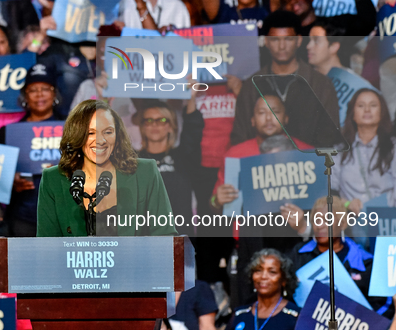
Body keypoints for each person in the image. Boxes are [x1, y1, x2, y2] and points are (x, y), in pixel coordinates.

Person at [37, 99, 178, 237]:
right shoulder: (53, 178)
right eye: (90, 133)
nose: (100, 140)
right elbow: (46, 246)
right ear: (77, 135)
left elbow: (165, 235)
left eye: (108, 132)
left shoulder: (145, 172)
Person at [230, 11, 340, 147]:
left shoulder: (320, 84)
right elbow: (240, 136)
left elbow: (330, 136)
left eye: (288, 39)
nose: (282, 46)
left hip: (309, 163)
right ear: (266, 41)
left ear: (298, 41)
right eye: (275, 39)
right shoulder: (252, 85)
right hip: (260, 165)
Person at [287, 197, 392, 316]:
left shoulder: (364, 261)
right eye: (316, 220)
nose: (320, 225)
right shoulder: (298, 254)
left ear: (343, 224)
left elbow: (383, 304)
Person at [0, 63, 66, 237]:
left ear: (55, 94)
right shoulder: (9, 133)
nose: (39, 95)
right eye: (33, 90)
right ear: (25, 96)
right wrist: (12, 183)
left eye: (45, 88)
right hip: (23, 217)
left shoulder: (72, 128)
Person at [213, 95, 312, 209]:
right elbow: (213, 202)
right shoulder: (234, 155)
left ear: (286, 118)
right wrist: (217, 201)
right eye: (261, 112)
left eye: (275, 112)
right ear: (253, 121)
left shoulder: (307, 153)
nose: (269, 118)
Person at [135, 97, 204, 236]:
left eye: (161, 120)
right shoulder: (132, 160)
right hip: (142, 242)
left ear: (171, 125)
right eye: (149, 120)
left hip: (178, 240)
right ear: (142, 127)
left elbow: (193, 131)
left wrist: (191, 98)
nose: (154, 125)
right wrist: (103, 100)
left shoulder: (183, 157)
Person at [333, 89, 396, 210]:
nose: (367, 110)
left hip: (388, 220)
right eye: (361, 106)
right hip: (352, 221)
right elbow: (331, 192)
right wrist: (347, 204)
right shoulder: (340, 151)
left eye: (373, 105)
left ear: (381, 112)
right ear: (353, 114)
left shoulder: (393, 147)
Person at [224, 249, 299, 330]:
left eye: (272, 272)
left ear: (284, 280)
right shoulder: (240, 314)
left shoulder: (295, 316)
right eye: (258, 270)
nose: (263, 276)